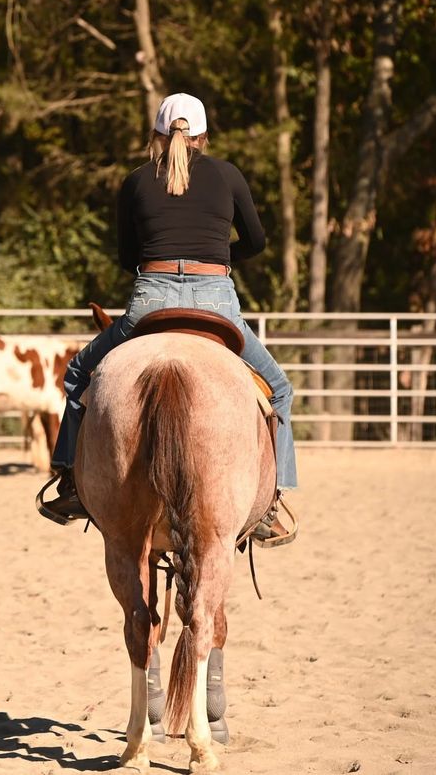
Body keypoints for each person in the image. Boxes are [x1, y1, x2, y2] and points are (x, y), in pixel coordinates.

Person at [37, 93, 297, 548]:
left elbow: (125, 257)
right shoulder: (228, 175)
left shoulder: (136, 180)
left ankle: (71, 484)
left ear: (157, 135)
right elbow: (256, 241)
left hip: (150, 301)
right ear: (203, 136)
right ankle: (271, 505)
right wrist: (216, 256)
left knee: (78, 373)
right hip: (216, 300)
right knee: (278, 389)